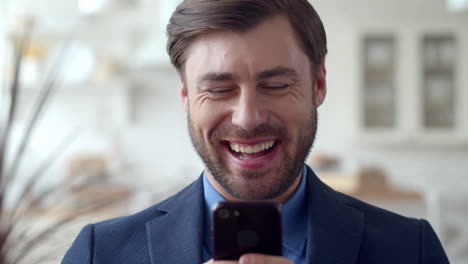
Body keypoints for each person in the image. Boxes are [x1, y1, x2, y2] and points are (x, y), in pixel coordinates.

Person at [62, 0, 449, 263]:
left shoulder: (410, 250)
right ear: (186, 96)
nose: (247, 118)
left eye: (277, 85)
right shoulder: (100, 253)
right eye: (218, 89)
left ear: (318, 85)